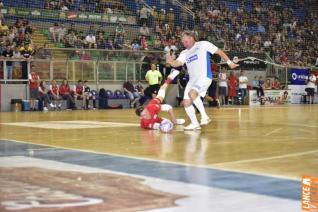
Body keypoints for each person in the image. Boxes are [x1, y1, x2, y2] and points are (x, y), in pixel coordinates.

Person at [166, 30, 239, 130]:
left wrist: (229, 62)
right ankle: (195, 123)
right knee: (186, 102)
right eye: (183, 42)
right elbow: (178, 63)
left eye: (186, 41)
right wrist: (171, 61)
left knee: (192, 93)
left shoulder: (203, 44)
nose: (184, 44)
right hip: (192, 80)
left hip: (204, 77)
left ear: (192, 38)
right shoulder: (184, 52)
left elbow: (219, 52)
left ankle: (205, 117)